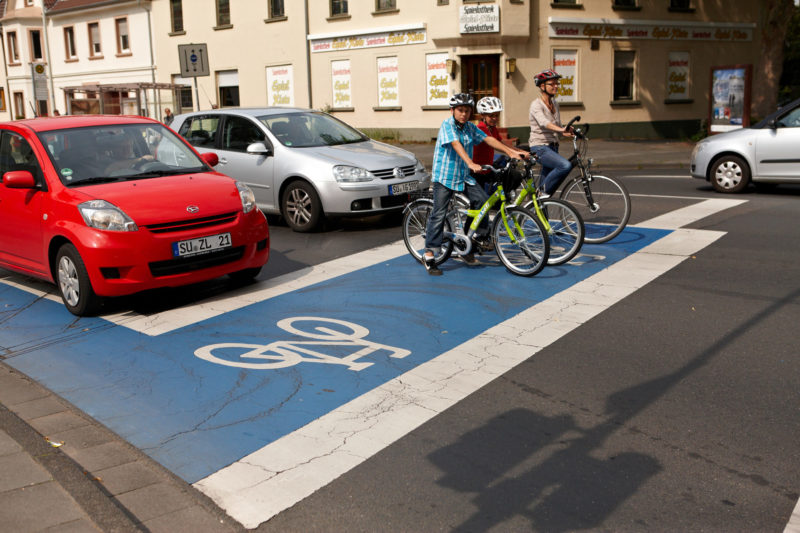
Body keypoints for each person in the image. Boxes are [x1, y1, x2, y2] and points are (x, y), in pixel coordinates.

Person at [423, 93, 529, 276]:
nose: (463, 114)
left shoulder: (470, 128)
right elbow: (456, 145)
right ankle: (430, 253)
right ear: (453, 111)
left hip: (463, 176)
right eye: (460, 110)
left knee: (482, 201)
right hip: (445, 177)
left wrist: (510, 152)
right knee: (439, 213)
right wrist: (471, 163)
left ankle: (469, 242)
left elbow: (488, 139)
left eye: (467, 111)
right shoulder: (447, 125)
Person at [528, 68, 574, 198]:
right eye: (552, 84)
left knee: (545, 197)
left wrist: (569, 131)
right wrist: (561, 129)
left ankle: (541, 213)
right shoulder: (536, 105)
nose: (556, 86)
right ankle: (539, 193)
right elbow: (544, 123)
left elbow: (558, 128)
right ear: (542, 86)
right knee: (565, 165)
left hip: (553, 148)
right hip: (540, 147)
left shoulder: (555, 104)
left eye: (557, 83)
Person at [473, 96, 506, 192]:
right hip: (477, 172)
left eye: (497, 115)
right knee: (481, 203)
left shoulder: (492, 128)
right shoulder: (480, 128)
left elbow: (502, 143)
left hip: (487, 170)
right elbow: (497, 145)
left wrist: (520, 151)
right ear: (483, 115)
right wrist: (512, 153)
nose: (495, 118)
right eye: (491, 116)